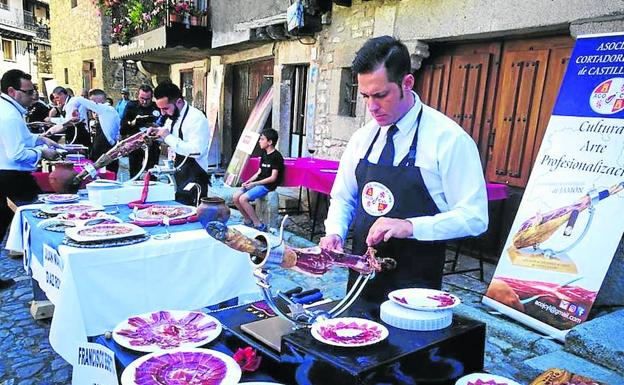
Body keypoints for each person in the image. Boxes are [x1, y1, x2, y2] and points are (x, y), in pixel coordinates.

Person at [319, 36, 488, 304]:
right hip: (361, 285)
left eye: (381, 95)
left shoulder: (448, 139)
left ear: (407, 83)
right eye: (365, 96)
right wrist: (335, 233)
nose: (372, 107)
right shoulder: (362, 139)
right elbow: (343, 198)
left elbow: (475, 217)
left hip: (416, 290)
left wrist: (411, 226)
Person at [0, 69, 62, 289]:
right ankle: (44, 268)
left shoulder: (9, 109)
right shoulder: (8, 115)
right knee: (37, 216)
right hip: (9, 176)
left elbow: (24, 138)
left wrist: (41, 139)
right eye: (28, 92)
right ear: (12, 91)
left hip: (9, 174)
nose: (33, 96)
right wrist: (42, 153)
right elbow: (17, 153)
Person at [147, 81, 211, 205]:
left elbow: (196, 151)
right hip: (178, 171)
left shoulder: (196, 118)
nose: (162, 113)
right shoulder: (172, 115)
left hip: (195, 174)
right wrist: (157, 133)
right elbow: (169, 134)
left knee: (192, 214)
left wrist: (167, 136)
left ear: (179, 102)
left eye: (165, 108)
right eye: (160, 109)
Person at [47, 89, 120, 173]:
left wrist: (73, 107)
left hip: (106, 153)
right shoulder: (103, 113)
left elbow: (79, 100)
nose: (92, 106)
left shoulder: (107, 109)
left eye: (93, 102)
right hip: (99, 152)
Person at [232, 128, 284, 231]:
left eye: (262, 139)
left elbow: (273, 178)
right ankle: (247, 220)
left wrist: (255, 184)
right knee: (236, 196)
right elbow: (259, 172)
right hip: (258, 183)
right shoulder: (264, 154)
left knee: (243, 199)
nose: (259, 141)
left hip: (267, 186)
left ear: (270, 142)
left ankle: (258, 224)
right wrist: (248, 182)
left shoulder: (276, 157)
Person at [121, 84, 162, 178]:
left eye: (147, 99)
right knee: (134, 170)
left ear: (152, 97)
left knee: (152, 171)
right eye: (142, 98)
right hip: (135, 142)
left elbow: (163, 123)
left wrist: (155, 126)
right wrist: (133, 122)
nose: (144, 101)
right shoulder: (131, 106)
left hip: (152, 143)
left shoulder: (156, 107)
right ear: (137, 96)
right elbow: (123, 124)